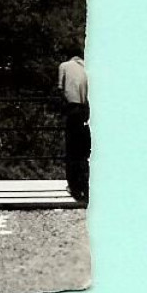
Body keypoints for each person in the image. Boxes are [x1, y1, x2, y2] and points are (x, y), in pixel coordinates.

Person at [57, 49, 90, 203]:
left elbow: (60, 89)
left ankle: (74, 187)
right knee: (84, 151)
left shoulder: (64, 66)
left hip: (72, 111)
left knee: (71, 150)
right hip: (85, 110)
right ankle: (85, 186)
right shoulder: (87, 68)